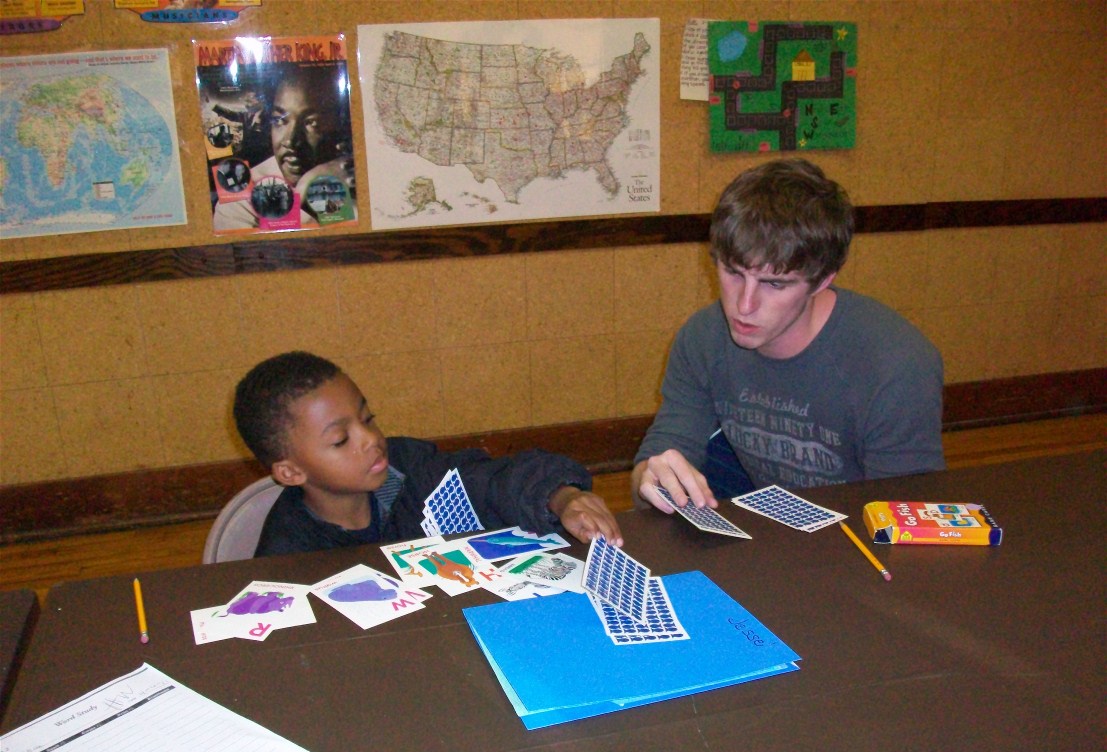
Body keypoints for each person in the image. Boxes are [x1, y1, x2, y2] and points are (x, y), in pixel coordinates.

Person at [632, 159, 944, 514]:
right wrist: (651, 477)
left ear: (823, 279)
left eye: (775, 283)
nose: (744, 305)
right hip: (774, 533)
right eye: (733, 273)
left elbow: (909, 520)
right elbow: (660, 456)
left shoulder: (897, 365)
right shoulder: (703, 337)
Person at [233, 351, 623, 557]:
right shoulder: (287, 551)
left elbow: (492, 478)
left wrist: (562, 496)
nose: (370, 439)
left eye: (368, 419)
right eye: (340, 440)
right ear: (290, 472)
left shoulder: (408, 470)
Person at [213, 66, 355, 231]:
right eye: (279, 120)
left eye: (311, 123)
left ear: (341, 127)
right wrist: (303, 192)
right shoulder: (239, 197)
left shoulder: (358, 177)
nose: (290, 140)